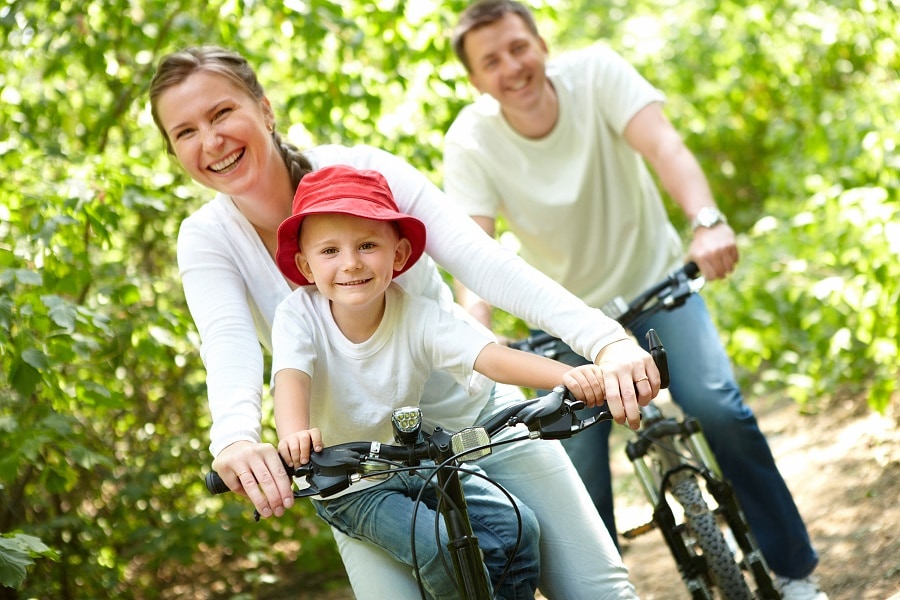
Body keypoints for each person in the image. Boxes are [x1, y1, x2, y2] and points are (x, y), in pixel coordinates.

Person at [149, 45, 655, 599]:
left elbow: (482, 260)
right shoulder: (207, 238)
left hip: (476, 416)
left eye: (222, 113)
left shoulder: (366, 172)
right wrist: (236, 439)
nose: (211, 141)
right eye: (185, 132)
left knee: (599, 591)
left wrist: (605, 343)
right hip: (359, 469)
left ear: (265, 110)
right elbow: (228, 343)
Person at [443, 2, 827, 599]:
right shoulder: (472, 138)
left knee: (720, 406)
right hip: (570, 328)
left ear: (541, 42)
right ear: (474, 80)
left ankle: (793, 572)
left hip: (656, 291)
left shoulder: (597, 72)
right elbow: (474, 251)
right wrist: (476, 327)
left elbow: (665, 147)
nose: (511, 67)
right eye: (490, 61)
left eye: (518, 47)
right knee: (577, 473)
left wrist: (707, 221)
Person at [271, 164, 618, 599]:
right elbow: (291, 377)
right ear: (305, 264)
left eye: (366, 245)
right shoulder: (298, 317)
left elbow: (490, 357)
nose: (351, 263)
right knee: (436, 545)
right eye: (330, 252)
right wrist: (293, 435)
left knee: (518, 528)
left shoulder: (415, 316)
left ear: (397, 255)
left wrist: (568, 376)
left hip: (416, 462)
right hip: (351, 485)